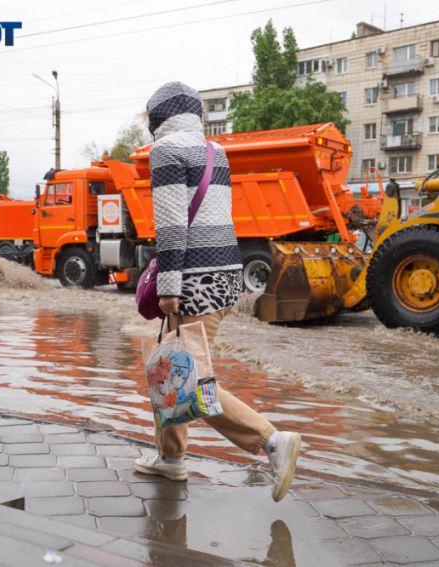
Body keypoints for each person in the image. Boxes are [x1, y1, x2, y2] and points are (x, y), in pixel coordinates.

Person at [134, 82, 302, 503]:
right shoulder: (216, 151)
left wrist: (170, 287)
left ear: (158, 117)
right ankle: (171, 459)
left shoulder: (165, 151)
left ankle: (270, 440)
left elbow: (173, 225)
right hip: (225, 276)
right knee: (174, 363)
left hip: (192, 279)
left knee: (187, 381)